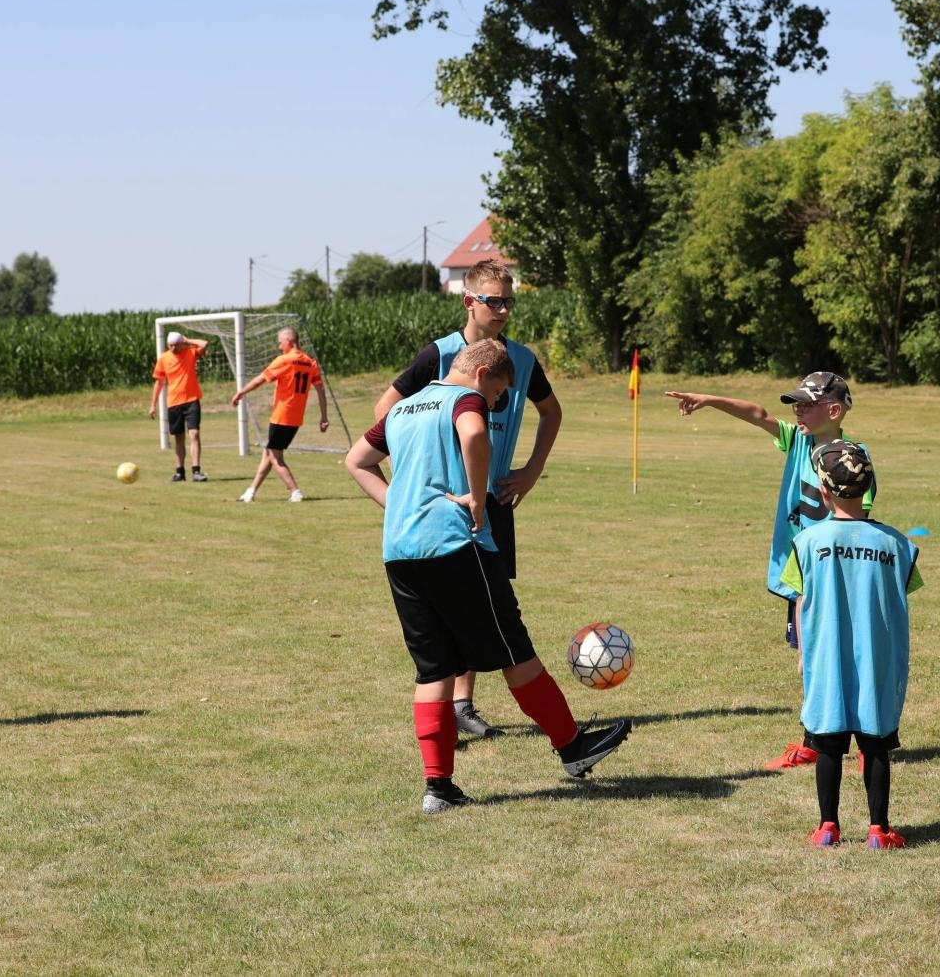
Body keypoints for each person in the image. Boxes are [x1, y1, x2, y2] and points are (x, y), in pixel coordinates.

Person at [345, 339, 629, 813]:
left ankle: (438, 787)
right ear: (481, 374)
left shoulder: (404, 408)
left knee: (434, 668)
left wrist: (399, 505)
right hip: (456, 546)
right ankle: (573, 748)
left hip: (400, 551)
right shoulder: (467, 398)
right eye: (499, 393)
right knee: (514, 650)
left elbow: (357, 460)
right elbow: (475, 435)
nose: (496, 403)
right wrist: (477, 498)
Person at [372, 260, 562, 738]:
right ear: (469, 301)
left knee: (480, 603)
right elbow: (385, 410)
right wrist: (412, 484)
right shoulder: (441, 356)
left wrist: (532, 471)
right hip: (447, 507)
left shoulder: (520, 358)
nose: (501, 310)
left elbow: (551, 411)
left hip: (491, 495)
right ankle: (483, 713)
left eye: (508, 301)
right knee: (479, 615)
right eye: (491, 300)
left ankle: (462, 703)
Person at [664, 371, 874, 770]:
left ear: (833, 409)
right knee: (809, 661)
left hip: (834, 577)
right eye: (795, 402)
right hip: (800, 576)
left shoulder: (853, 461)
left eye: (806, 404)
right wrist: (708, 399)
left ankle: (866, 746)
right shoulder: (797, 441)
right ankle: (814, 740)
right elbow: (758, 413)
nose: (797, 409)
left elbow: (861, 521)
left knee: (846, 658)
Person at [779, 441, 920, 850]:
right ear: (870, 486)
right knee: (874, 744)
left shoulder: (807, 544)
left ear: (823, 492)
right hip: (879, 661)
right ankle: (879, 830)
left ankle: (828, 827)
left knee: (827, 743)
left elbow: (800, 600)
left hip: (825, 660)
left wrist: (804, 655)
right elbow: (903, 592)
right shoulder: (898, 545)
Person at [231, 327, 329, 503]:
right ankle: (251, 492)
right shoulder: (310, 362)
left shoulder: (285, 360)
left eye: (280, 342)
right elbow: (320, 390)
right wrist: (324, 416)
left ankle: (295, 491)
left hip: (282, 415)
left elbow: (260, 379)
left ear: (289, 341)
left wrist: (241, 393)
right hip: (296, 417)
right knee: (268, 453)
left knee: (275, 457)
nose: (278, 346)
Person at [149, 331, 210, 482]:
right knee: (179, 438)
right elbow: (159, 382)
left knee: (194, 434)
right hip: (174, 402)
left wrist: (187, 340)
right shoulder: (163, 358)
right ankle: (179, 472)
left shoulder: (191, 352)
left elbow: (205, 344)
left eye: (176, 344)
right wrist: (153, 405)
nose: (173, 347)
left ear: (181, 343)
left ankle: (196, 471)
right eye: (171, 345)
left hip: (192, 400)